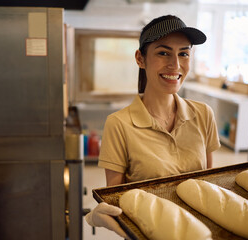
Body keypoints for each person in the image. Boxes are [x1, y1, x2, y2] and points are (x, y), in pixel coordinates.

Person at [85, 15, 221, 239]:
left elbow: (209, 185)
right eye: (163, 52)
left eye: (184, 54)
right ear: (140, 58)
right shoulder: (119, 124)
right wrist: (99, 216)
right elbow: (117, 200)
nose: (175, 65)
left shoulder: (204, 114)